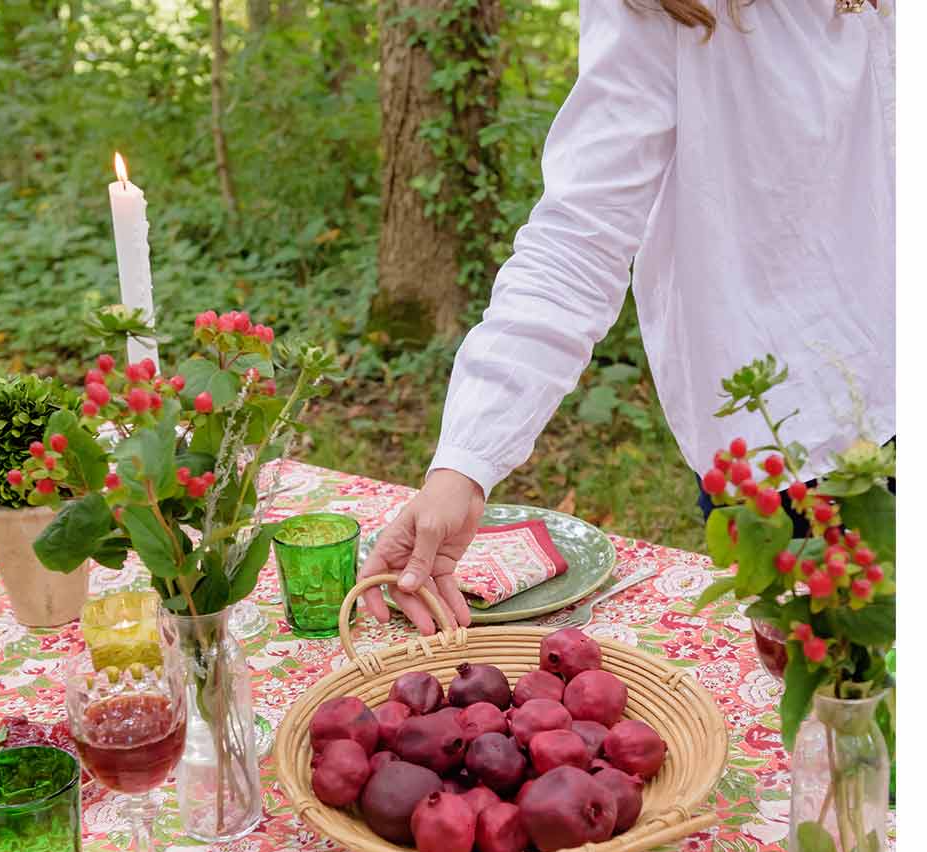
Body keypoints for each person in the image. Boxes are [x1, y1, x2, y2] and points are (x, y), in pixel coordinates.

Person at [360, 0, 895, 635]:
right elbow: (579, 239)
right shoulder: (666, 13)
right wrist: (464, 465)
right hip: (794, 441)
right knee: (840, 715)